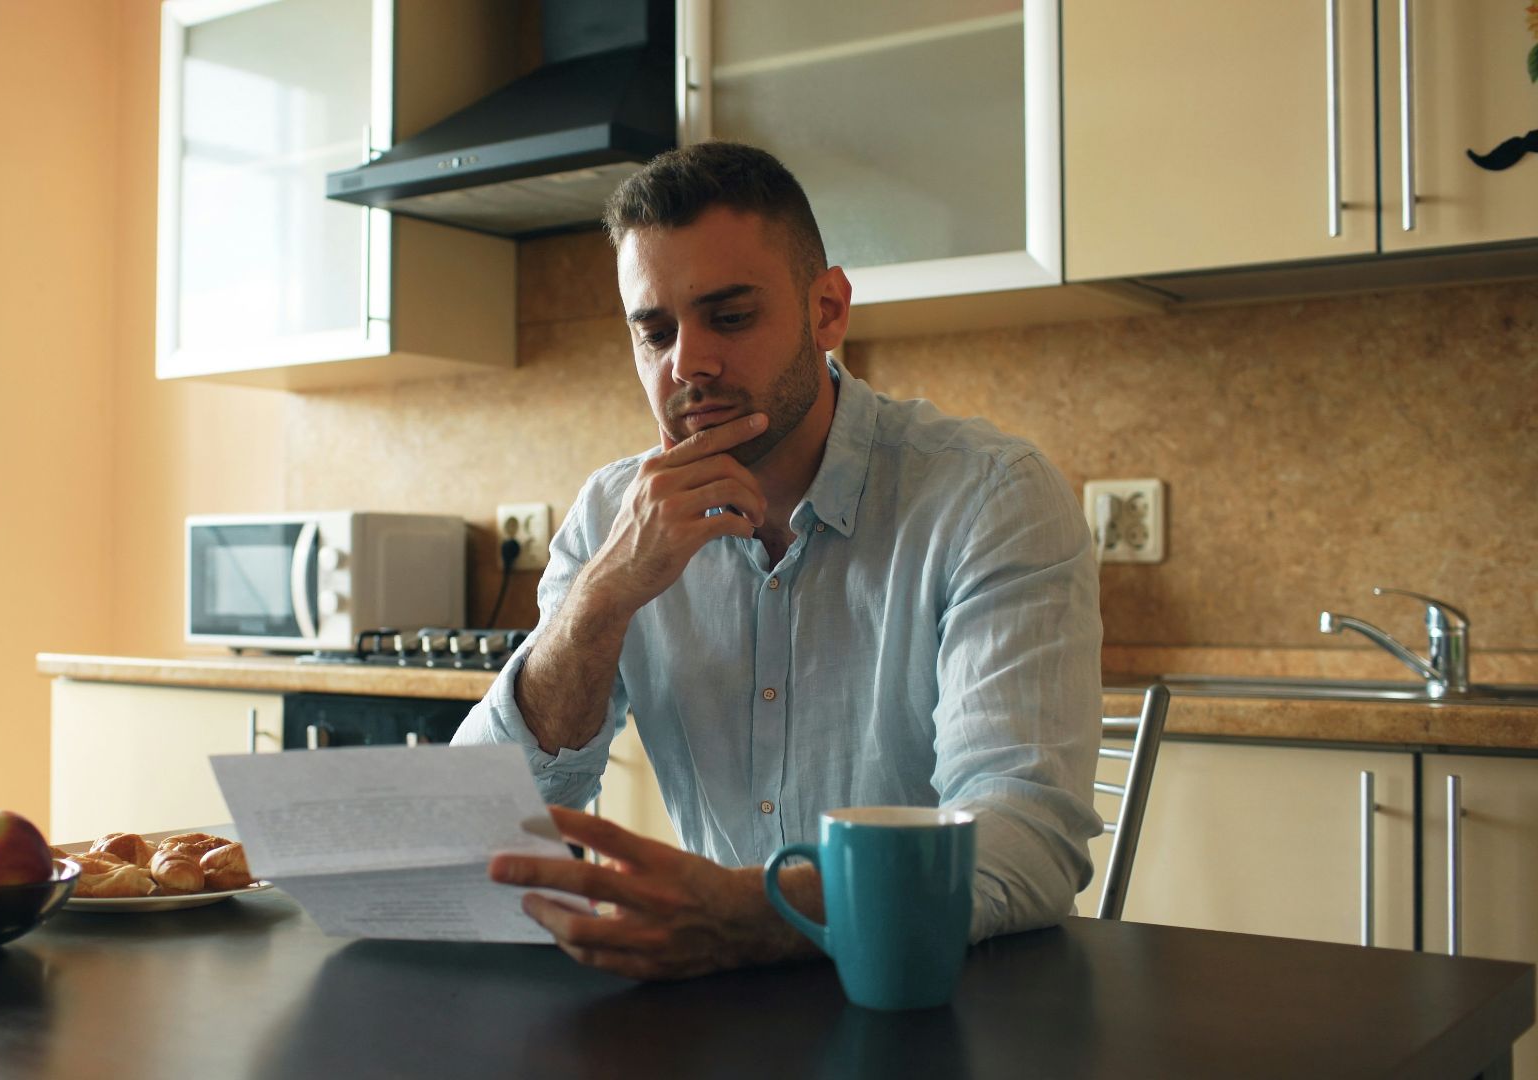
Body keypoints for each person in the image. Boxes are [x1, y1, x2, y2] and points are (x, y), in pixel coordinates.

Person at [451, 141, 1103, 980]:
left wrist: (746, 916)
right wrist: (600, 599)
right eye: (655, 332)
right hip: (717, 1007)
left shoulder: (990, 499)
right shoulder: (614, 517)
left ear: (827, 309)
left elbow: (1023, 840)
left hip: (943, 1000)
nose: (688, 363)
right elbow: (477, 825)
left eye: (729, 316)